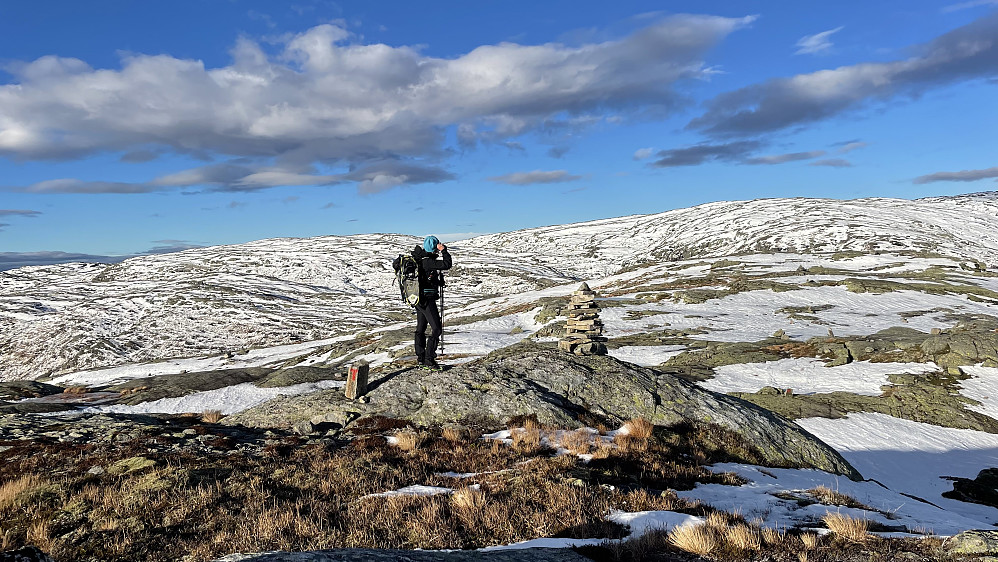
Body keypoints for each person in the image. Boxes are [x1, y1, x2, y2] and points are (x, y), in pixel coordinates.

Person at [394, 235, 452, 370]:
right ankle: (429, 359)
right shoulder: (428, 261)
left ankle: (421, 358)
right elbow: (447, 264)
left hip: (418, 299)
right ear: (434, 248)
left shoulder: (420, 259)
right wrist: (444, 250)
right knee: (436, 329)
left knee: (421, 328)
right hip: (426, 299)